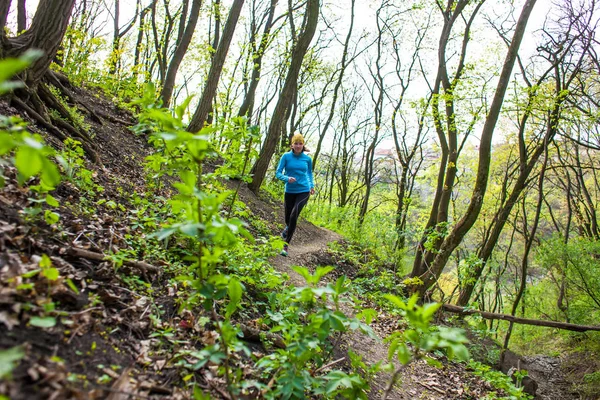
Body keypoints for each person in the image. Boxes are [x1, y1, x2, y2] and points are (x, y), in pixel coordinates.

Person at [275, 133, 315, 256]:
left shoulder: (307, 159)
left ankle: (285, 246)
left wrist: (311, 186)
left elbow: (309, 173)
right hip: (290, 191)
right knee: (288, 218)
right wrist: (287, 178)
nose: (298, 146)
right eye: (296, 143)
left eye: (300, 143)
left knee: (293, 216)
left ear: (303, 145)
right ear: (292, 145)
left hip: (303, 190)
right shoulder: (286, 157)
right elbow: (278, 173)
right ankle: (288, 228)